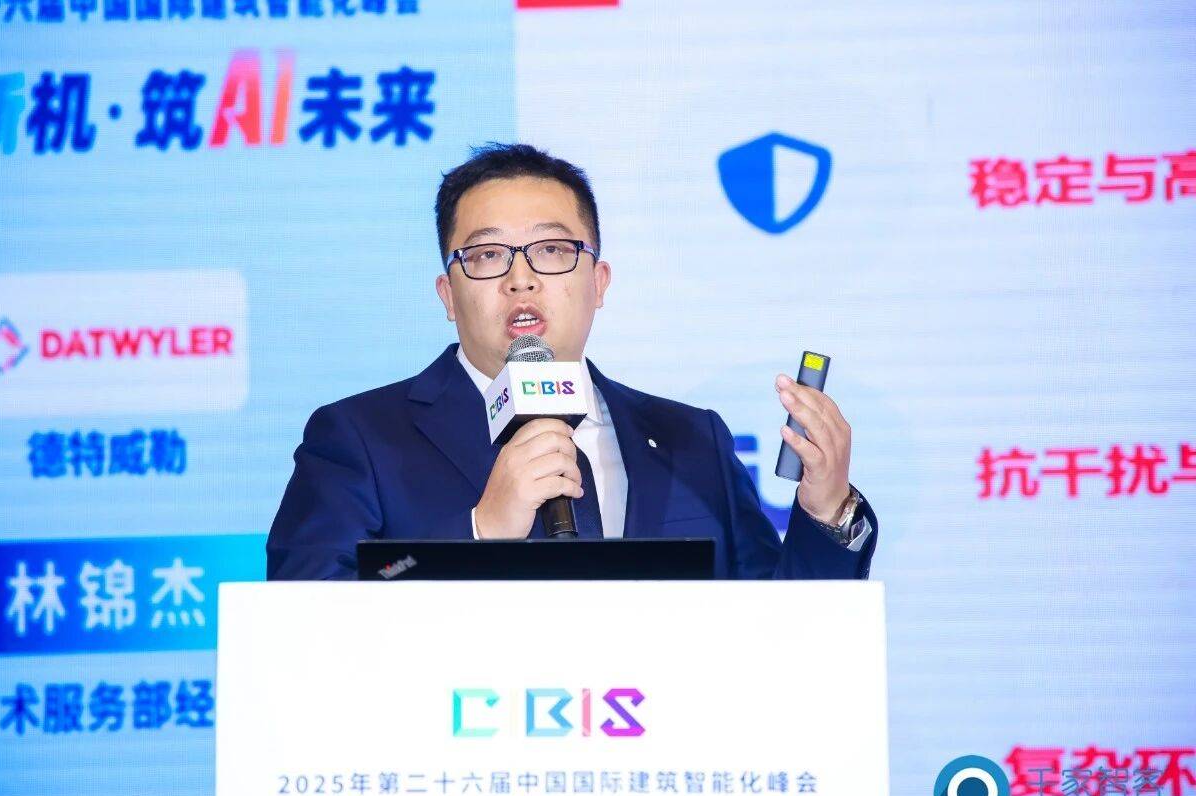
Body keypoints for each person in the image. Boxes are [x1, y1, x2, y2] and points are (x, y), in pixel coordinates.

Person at [267, 143, 876, 581]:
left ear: (599, 282)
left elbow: (778, 631)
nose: (521, 279)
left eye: (553, 249)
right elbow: (305, 608)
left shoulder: (693, 441)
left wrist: (828, 510)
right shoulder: (360, 437)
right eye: (487, 255)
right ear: (448, 295)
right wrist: (478, 533)